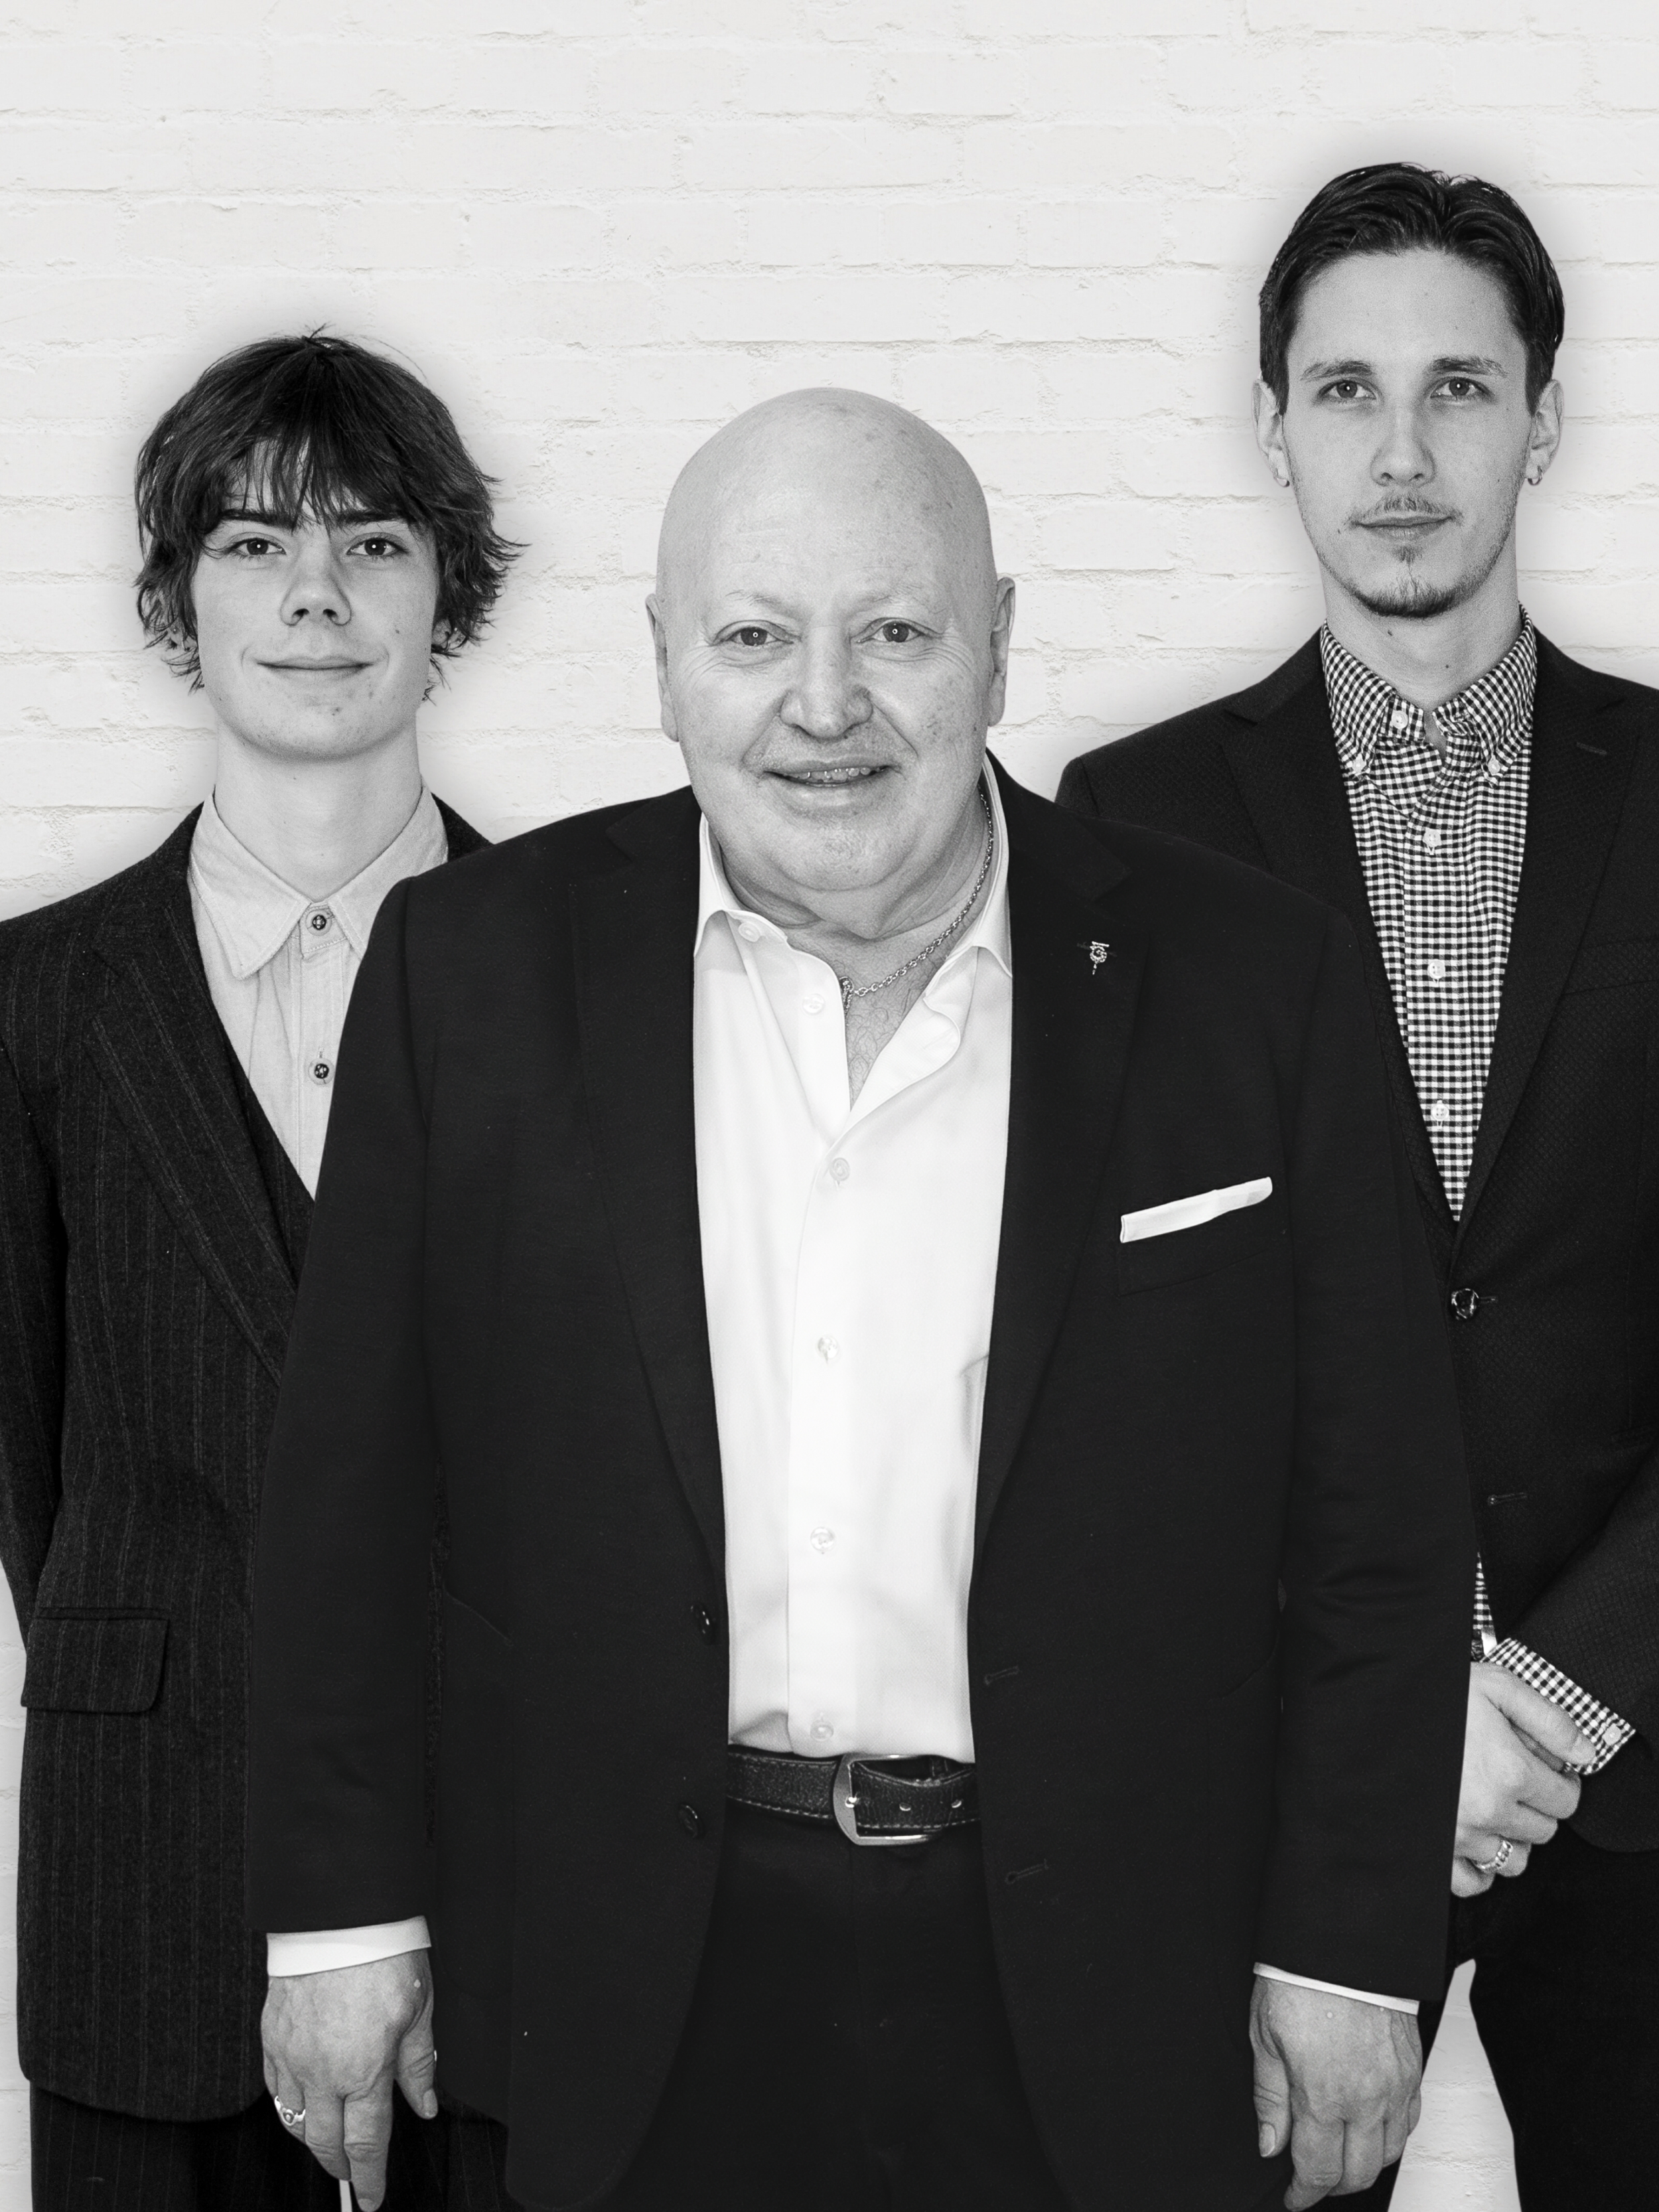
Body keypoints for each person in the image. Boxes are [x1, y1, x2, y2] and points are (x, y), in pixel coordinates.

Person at [248, 387, 1471, 2212]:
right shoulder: (471, 970)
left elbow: (1380, 1507)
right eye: (754, 637)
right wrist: (339, 1920)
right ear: (664, 666)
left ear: (993, 643)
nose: (823, 705)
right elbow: (349, 1484)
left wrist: (1348, 1947)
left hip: (1114, 1970)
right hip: (629, 1969)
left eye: (893, 632)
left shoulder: (1253, 977)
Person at [1059, 162, 1658, 2209]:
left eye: (1457, 390)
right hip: (1278, 1780)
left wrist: (1552, 1695)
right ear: (1270, 427)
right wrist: (1392, 1707)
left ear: (1544, 420)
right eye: (1341, 392)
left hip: (1644, 1755)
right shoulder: (1128, 830)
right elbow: (1123, 1352)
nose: (1398, 455)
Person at [0, 331, 516, 2209]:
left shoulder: (586, 980)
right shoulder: (36, 1004)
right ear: (171, 601)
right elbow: (35, 1464)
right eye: (249, 545)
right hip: (152, 1873)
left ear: (446, 595)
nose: (314, 596)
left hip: (508, 1871)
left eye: (372, 544)